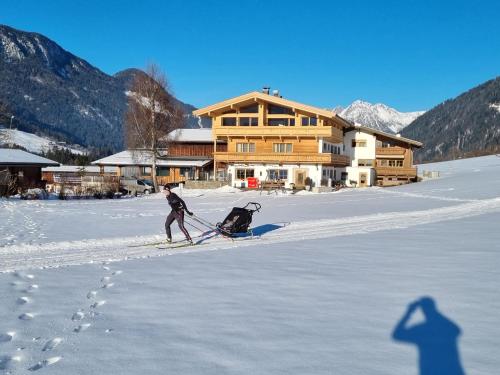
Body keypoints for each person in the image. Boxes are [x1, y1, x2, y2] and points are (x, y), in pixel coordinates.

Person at [392, 296, 465, 375]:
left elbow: (397, 334)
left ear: (422, 310)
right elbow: (457, 330)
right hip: (452, 371)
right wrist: (433, 312)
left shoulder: (421, 330)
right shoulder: (446, 328)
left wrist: (409, 312)